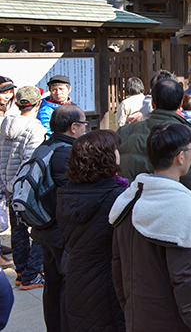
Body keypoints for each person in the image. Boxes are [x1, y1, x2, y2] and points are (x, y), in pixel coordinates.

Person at [109, 123, 191, 331]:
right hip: (172, 322)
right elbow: (190, 285)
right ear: (180, 156)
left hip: (138, 318)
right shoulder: (183, 209)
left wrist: (129, 309)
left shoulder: (127, 200)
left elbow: (118, 268)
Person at [118, 78, 191, 228]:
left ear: (153, 104)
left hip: (132, 211)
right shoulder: (187, 134)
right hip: (174, 213)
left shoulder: (126, 131)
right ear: (180, 105)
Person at [56, 130, 126, 331]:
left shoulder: (65, 193)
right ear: (107, 158)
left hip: (75, 279)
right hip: (108, 284)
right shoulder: (117, 197)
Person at [31, 105, 87, 331]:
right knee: (65, 286)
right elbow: (71, 197)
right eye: (84, 124)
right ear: (74, 127)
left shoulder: (47, 146)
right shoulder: (67, 153)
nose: (85, 129)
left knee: (52, 284)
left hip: (44, 228)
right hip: (59, 232)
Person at [0, 86, 46, 289]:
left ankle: (21, 271)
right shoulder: (35, 128)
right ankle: (32, 273)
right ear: (37, 104)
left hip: (8, 187)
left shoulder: (5, 124)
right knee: (41, 228)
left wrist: (7, 185)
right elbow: (30, 162)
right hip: (26, 188)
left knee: (18, 229)